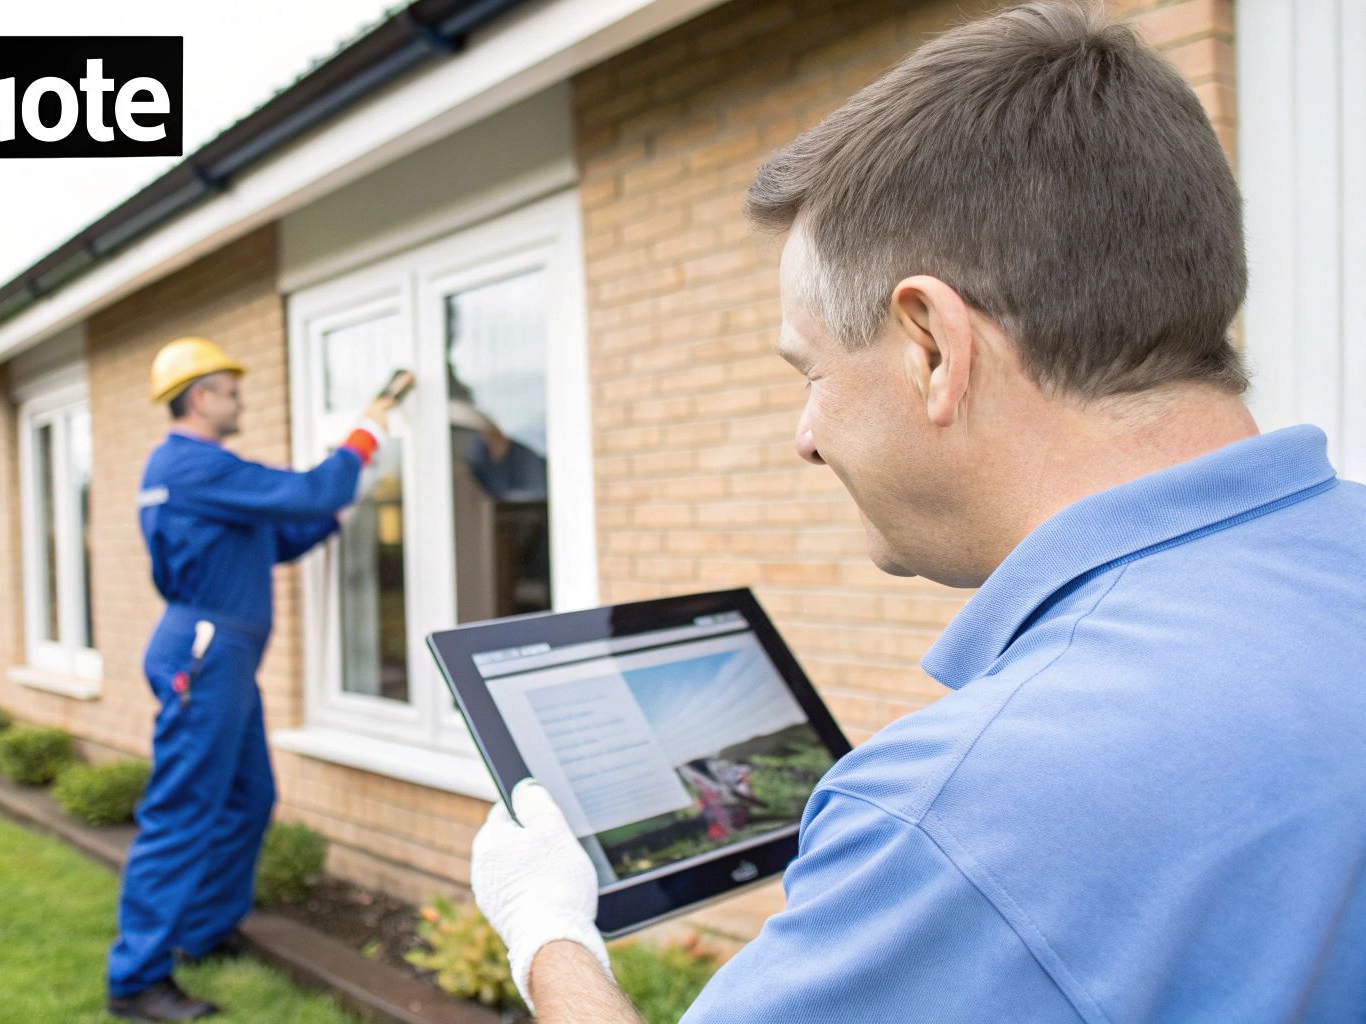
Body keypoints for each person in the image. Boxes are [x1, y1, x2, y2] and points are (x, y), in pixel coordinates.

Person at [469, 4, 1366, 1022]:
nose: (803, 436)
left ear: (930, 346)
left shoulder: (961, 815)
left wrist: (547, 932)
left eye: (808, 371)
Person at [107, 337, 401, 1022]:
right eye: (233, 390)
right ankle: (136, 980)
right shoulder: (193, 463)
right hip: (207, 653)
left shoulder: (195, 475)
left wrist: (332, 512)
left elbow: (278, 535)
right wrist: (365, 434)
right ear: (203, 395)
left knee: (248, 797)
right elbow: (307, 492)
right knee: (182, 812)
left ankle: (204, 930)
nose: (241, 400)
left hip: (218, 654)